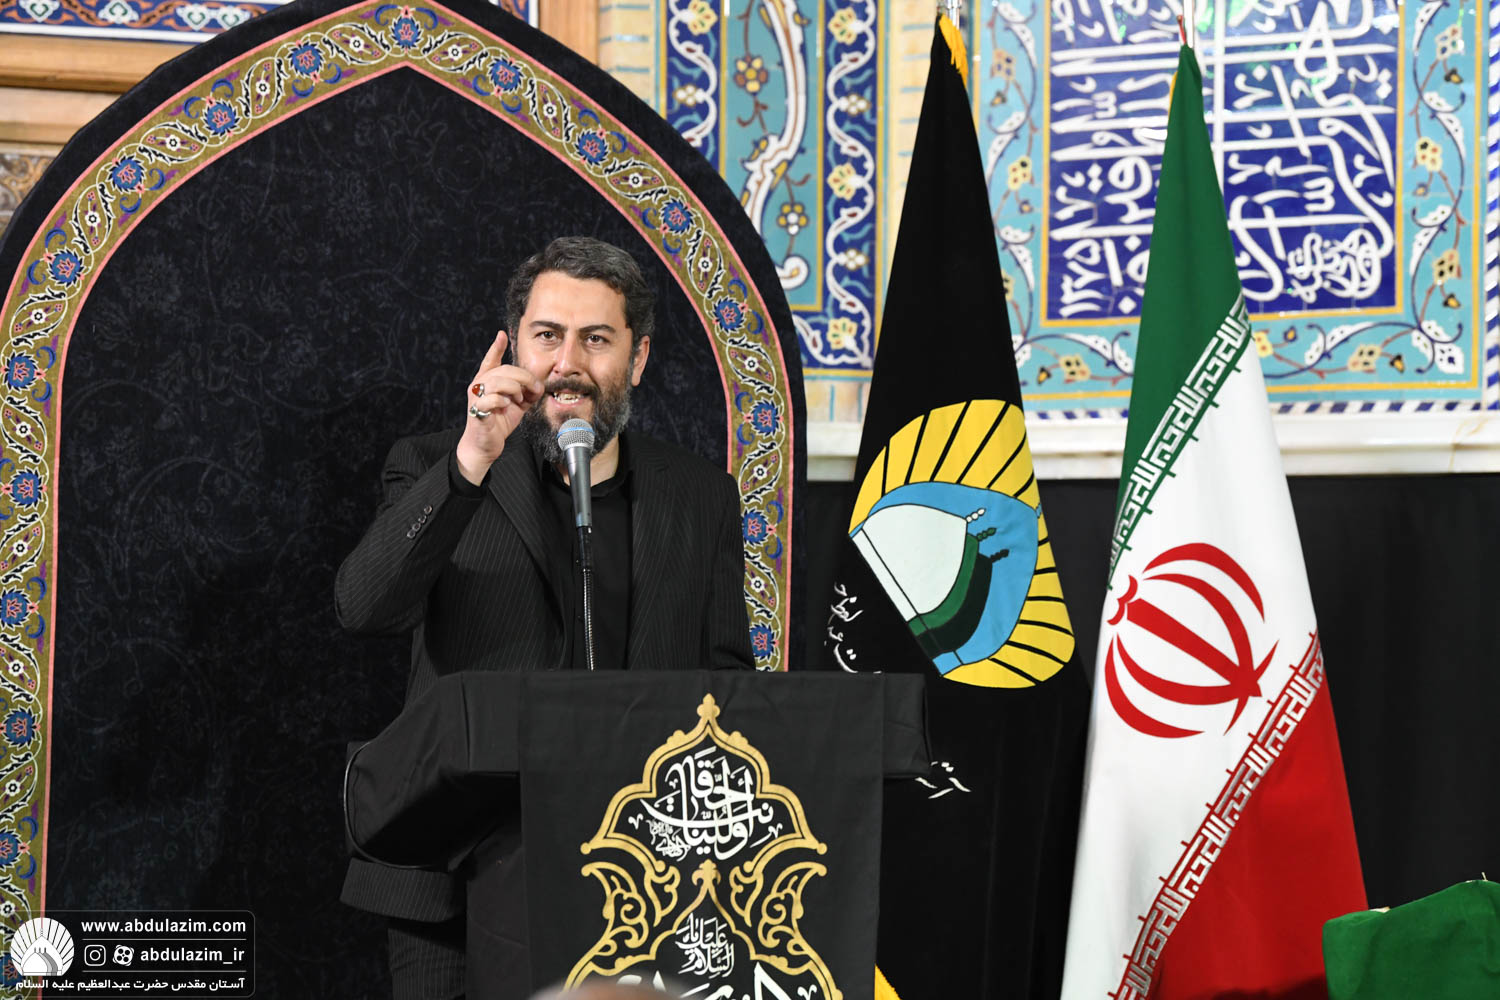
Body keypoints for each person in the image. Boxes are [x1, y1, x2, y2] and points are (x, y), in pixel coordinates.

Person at [336, 236, 753, 999]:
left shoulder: (700, 497)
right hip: (455, 888)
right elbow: (365, 608)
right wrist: (470, 463)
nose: (567, 363)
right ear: (514, 345)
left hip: (642, 890)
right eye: (547, 336)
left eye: (596, 339)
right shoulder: (438, 465)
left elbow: (727, 684)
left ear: (638, 357)